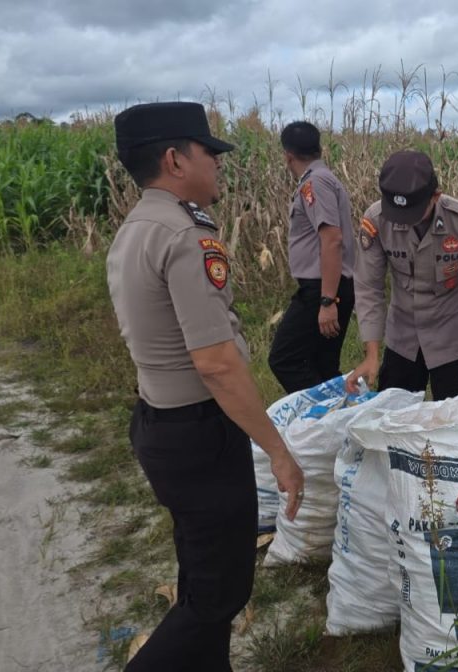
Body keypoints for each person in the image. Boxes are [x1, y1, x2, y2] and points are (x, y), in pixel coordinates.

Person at [106, 101, 304, 672]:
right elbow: (217, 364)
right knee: (219, 595)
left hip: (160, 425)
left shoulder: (136, 227)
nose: (218, 164)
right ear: (174, 158)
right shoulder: (184, 234)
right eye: (209, 153)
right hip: (198, 435)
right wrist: (279, 452)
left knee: (201, 578)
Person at [345, 149, 458, 400]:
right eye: (398, 214)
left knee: (456, 425)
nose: (405, 222)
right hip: (402, 339)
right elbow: (368, 286)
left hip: (451, 339)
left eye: (412, 213)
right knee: (395, 422)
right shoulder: (376, 220)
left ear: (435, 196)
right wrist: (372, 353)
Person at [268, 121, 356, 393]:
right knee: (323, 366)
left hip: (324, 288)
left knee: (284, 358)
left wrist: (327, 301)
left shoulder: (315, 182)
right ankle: (338, 423)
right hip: (330, 286)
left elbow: (332, 239)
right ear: (320, 148)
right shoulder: (322, 178)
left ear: (287, 155)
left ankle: (325, 416)